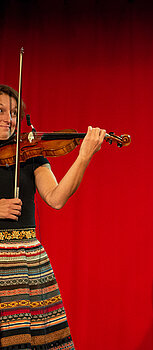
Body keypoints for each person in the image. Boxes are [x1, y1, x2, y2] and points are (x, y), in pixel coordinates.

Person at [0, 84, 106, 349]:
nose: (9, 119)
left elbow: (57, 199)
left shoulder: (30, 154)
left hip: (27, 259)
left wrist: (83, 157)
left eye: (14, 113)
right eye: (0, 111)